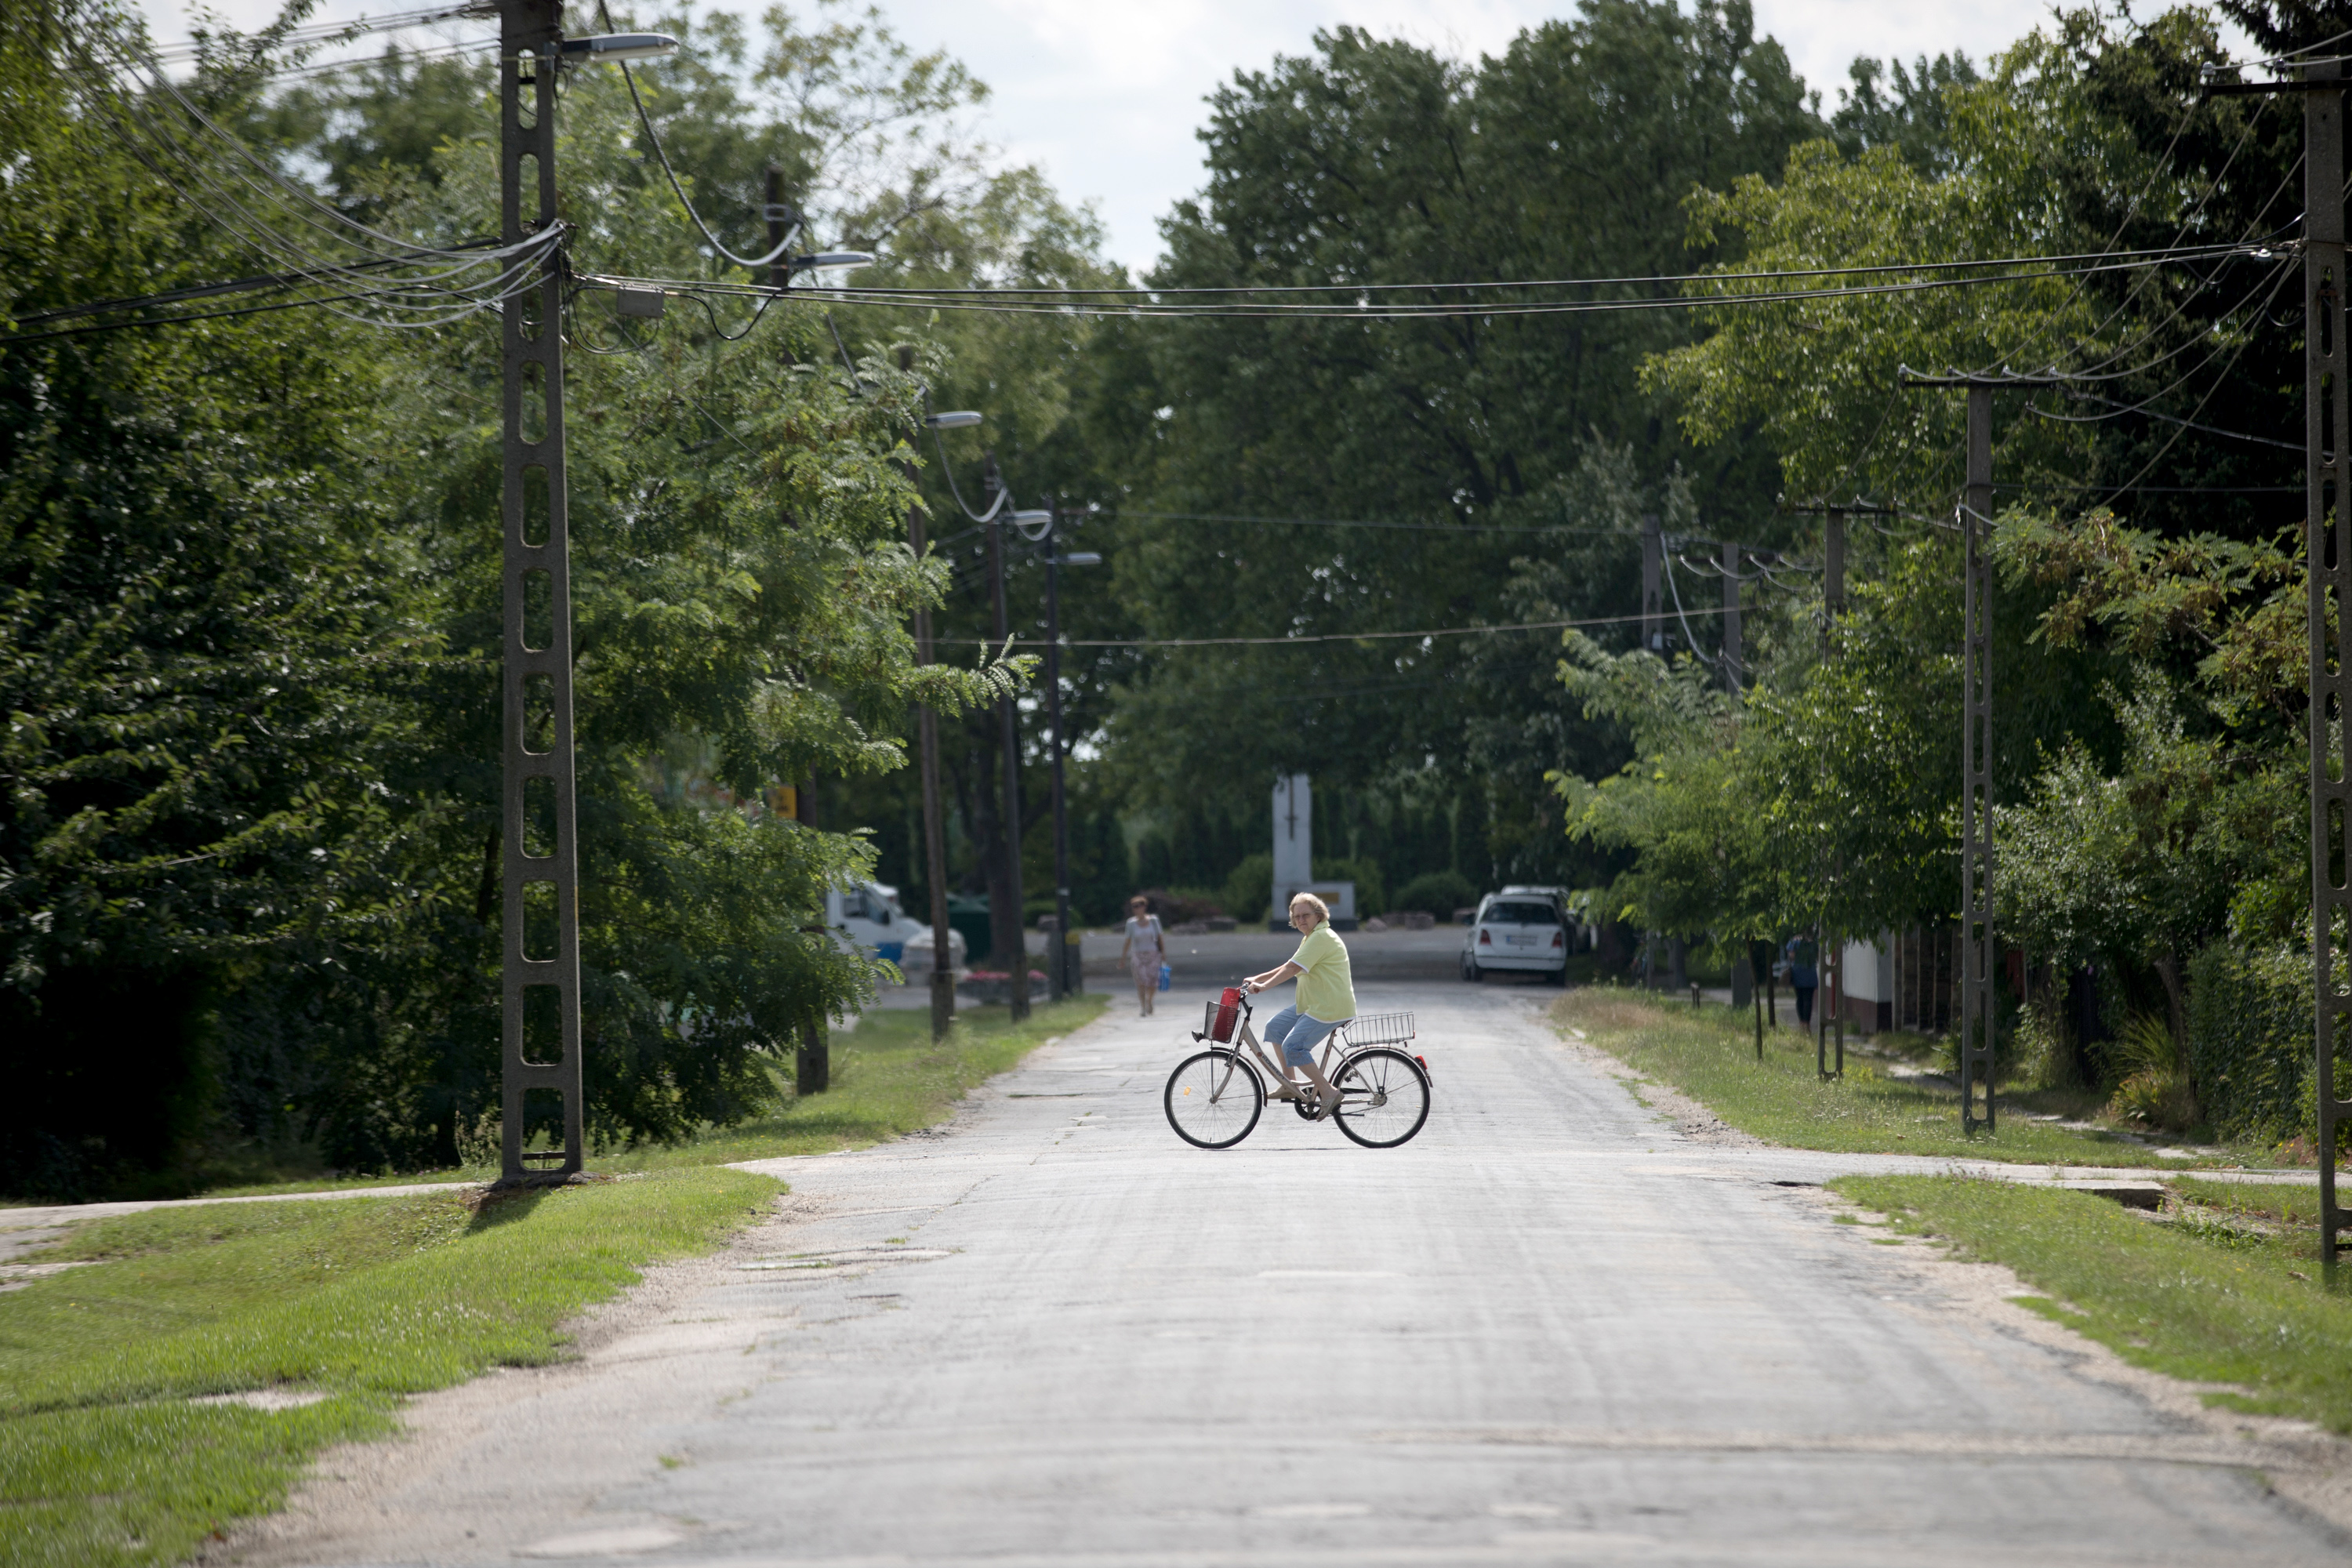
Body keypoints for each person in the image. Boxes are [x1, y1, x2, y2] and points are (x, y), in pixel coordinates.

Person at [1240, 892, 1354, 1120]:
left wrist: (1263, 987)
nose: (1301, 920)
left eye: (1306, 915)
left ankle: (1329, 1092)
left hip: (1329, 1007)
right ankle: (1289, 1084)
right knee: (1275, 1028)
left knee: (1293, 1047)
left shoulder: (1321, 937)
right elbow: (1289, 965)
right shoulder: (1311, 937)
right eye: (1297, 916)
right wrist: (1257, 978)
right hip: (1313, 1004)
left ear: (1319, 916)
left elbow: (1291, 970)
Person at [1120, 895, 1165, 1017]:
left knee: (1152, 981)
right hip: (1138, 955)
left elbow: (1160, 937)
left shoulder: (1154, 920)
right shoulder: (1131, 923)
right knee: (1140, 981)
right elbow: (1128, 940)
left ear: (1145, 907)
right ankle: (1143, 1007)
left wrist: (1164, 953)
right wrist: (1123, 958)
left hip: (1153, 954)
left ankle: (1149, 1000)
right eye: (1134, 906)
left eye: (1140, 905)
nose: (1137, 909)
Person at [1786, 932, 1819, 1027]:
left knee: (1800, 999)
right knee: (1808, 1000)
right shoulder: (1813, 943)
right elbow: (1818, 956)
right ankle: (1807, 1023)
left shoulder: (1795, 941)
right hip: (1810, 974)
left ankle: (1802, 1023)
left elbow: (1791, 955)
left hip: (1798, 973)